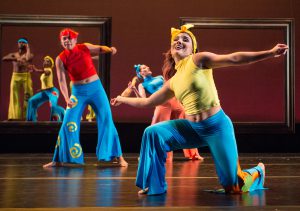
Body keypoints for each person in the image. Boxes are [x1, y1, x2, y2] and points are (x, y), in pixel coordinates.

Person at [111, 24, 288, 195]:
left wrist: (270, 53)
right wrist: (121, 98)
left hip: (217, 127)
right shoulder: (172, 81)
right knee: (152, 132)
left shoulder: (198, 60)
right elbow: (148, 102)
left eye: (185, 39)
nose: (179, 41)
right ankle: (153, 185)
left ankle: (258, 172)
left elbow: (234, 58)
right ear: (171, 50)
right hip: (192, 129)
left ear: (192, 48)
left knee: (234, 187)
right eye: (176, 39)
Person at [43, 28, 127, 168]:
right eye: (64, 39)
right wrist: (66, 97)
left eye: (70, 38)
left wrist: (110, 49)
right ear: (61, 41)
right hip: (77, 92)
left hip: (96, 89)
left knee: (106, 118)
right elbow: (62, 81)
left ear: (75, 40)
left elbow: (99, 48)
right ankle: (57, 159)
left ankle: (119, 157)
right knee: (68, 121)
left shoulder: (84, 47)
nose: (67, 41)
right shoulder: (60, 59)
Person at [127, 64, 202, 161]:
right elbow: (143, 100)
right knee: (158, 129)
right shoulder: (142, 85)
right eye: (144, 68)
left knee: (186, 124)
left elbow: (171, 88)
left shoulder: (160, 77)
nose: (148, 68)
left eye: (147, 66)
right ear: (140, 73)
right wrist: (134, 90)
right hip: (162, 104)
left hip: (174, 100)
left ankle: (193, 154)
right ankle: (156, 155)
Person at [2, 37, 34, 120]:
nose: (21, 44)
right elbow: (4, 58)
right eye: (19, 42)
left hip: (25, 76)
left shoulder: (29, 54)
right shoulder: (13, 54)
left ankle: (28, 116)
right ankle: (14, 116)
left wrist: (28, 47)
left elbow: (28, 58)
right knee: (14, 96)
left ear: (26, 44)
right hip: (15, 76)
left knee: (28, 95)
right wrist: (16, 58)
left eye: (23, 42)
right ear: (17, 44)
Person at [26, 56, 65, 122]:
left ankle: (62, 114)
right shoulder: (43, 74)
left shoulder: (49, 70)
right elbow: (46, 84)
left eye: (48, 61)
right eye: (45, 60)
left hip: (52, 91)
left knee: (53, 106)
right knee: (31, 101)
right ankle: (31, 121)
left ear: (51, 64)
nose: (45, 62)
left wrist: (36, 70)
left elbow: (45, 72)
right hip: (45, 92)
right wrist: (42, 89)